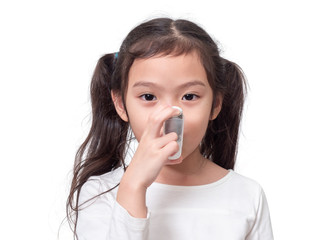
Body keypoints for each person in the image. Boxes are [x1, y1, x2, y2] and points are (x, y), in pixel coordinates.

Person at [66, 17, 274, 240]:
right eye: (148, 97)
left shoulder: (248, 196)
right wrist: (133, 187)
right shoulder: (98, 193)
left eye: (189, 96)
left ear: (215, 105)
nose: (170, 114)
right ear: (120, 104)